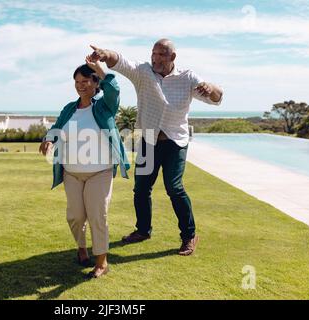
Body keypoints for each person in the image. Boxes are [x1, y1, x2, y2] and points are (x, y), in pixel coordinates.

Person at [88, 39, 223, 256]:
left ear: (172, 58)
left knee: (174, 187)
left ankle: (189, 236)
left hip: (175, 142)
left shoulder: (188, 78)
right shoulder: (143, 72)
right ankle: (143, 230)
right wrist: (105, 53)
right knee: (141, 188)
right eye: (154, 53)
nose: (155, 58)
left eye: (161, 54)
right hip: (149, 139)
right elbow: (121, 62)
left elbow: (216, 98)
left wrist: (212, 88)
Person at [39, 57, 129, 278]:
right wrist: (49, 138)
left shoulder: (105, 106)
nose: (81, 85)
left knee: (98, 215)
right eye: (77, 81)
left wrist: (100, 69)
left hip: (100, 171)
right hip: (72, 173)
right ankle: (81, 248)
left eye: (86, 80)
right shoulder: (69, 108)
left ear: (96, 83)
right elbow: (56, 127)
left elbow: (114, 90)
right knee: (76, 216)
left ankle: (101, 262)